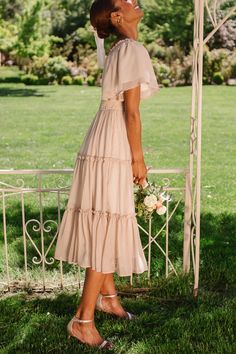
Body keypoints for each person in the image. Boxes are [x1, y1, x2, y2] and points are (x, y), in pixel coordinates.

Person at [54, 0, 160, 349]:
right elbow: (132, 112)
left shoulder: (119, 49)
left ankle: (108, 298)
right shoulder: (131, 48)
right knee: (107, 222)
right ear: (117, 16)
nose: (134, 2)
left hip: (100, 134)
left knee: (104, 218)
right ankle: (83, 320)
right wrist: (138, 159)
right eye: (126, 1)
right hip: (113, 140)